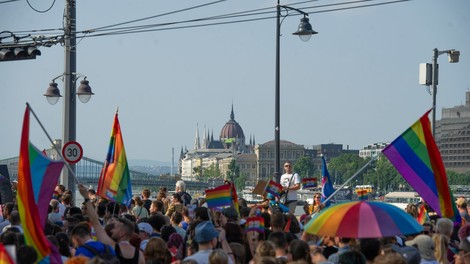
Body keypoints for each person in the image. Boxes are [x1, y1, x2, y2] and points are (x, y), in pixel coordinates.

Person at [78, 184, 145, 264]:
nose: (112, 229)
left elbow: (95, 222)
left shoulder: (112, 247)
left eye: (116, 227)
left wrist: (86, 198)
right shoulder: (139, 255)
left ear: (121, 233)